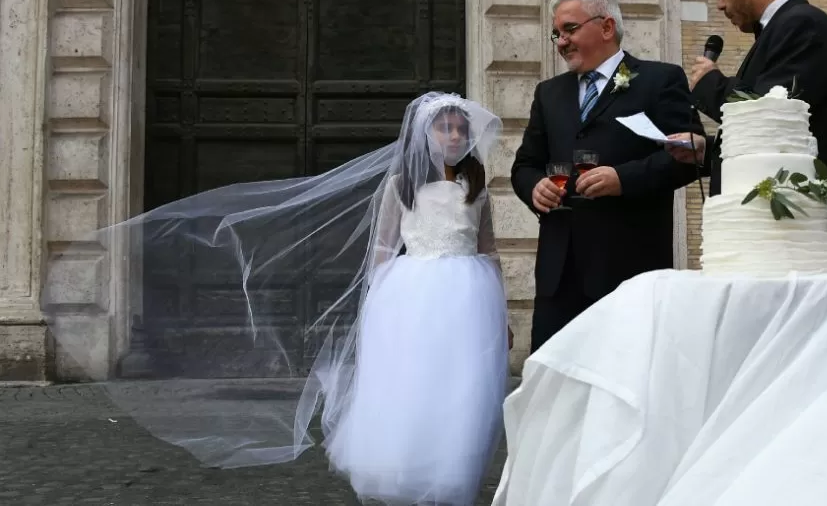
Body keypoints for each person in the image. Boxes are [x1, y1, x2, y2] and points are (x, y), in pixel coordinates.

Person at [46, 93, 511, 505]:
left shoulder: (476, 187)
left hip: (468, 298)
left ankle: (453, 470)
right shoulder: (401, 186)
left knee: (461, 386)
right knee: (415, 384)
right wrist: (380, 301)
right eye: (444, 127)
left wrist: (502, 310)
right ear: (424, 134)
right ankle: (415, 467)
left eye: (460, 129)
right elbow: (385, 248)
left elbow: (488, 248)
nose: (453, 136)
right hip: (415, 294)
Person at [511, 0, 704, 353]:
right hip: (559, 274)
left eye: (569, 29)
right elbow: (525, 165)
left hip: (628, 267)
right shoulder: (548, 93)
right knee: (553, 377)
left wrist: (622, 179)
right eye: (556, 33)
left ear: (606, 26)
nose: (561, 42)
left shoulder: (659, 80)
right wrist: (534, 186)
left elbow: (688, 158)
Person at [673, 0, 827, 276]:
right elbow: (780, 144)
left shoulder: (804, 25)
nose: (720, 3)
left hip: (796, 248)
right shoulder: (783, 28)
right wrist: (708, 151)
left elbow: (771, 115)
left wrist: (710, 85)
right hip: (769, 247)